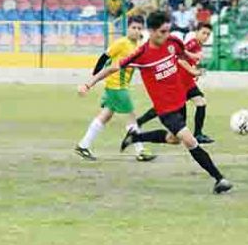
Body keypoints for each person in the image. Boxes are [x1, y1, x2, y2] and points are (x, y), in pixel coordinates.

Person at [78, 11, 232, 194]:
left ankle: (136, 137)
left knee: (173, 139)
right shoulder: (141, 54)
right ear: (151, 31)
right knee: (190, 141)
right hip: (165, 109)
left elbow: (181, 56)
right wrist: (89, 83)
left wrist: (192, 65)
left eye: (168, 31)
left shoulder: (173, 41)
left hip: (180, 101)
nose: (166, 35)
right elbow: (112, 67)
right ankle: (219, 179)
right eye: (162, 32)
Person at [74, 16, 154, 162]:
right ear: (127, 28)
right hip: (117, 86)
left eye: (139, 28)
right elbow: (104, 57)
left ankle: (83, 145)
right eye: (133, 28)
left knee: (106, 115)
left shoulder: (138, 46)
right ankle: (140, 150)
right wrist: (93, 78)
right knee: (131, 118)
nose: (136, 31)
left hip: (117, 85)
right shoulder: (122, 43)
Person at [135, 23, 215, 144]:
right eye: (203, 33)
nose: (205, 36)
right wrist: (192, 70)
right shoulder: (192, 44)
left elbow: (188, 60)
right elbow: (179, 58)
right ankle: (139, 122)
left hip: (187, 82)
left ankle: (198, 134)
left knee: (200, 102)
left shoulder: (198, 45)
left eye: (208, 34)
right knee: (168, 107)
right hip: (180, 82)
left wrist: (194, 72)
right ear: (196, 32)